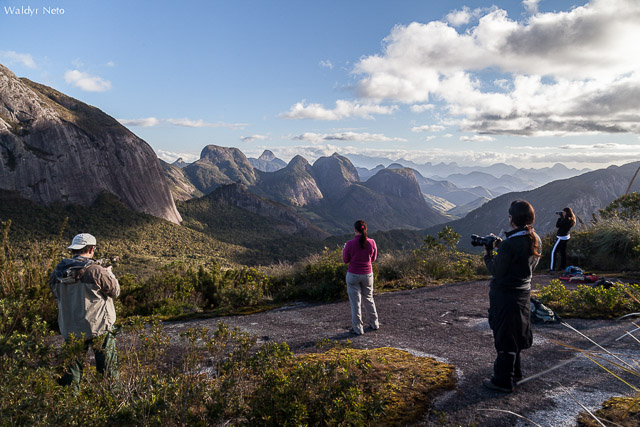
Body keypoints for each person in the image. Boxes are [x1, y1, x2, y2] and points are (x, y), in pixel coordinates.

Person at [483, 200, 542, 393]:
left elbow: (496, 271)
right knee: (515, 333)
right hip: (523, 294)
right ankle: (516, 373)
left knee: (504, 335)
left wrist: (488, 253)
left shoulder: (510, 244)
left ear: (511, 219)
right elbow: (528, 267)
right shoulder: (536, 239)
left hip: (505, 296)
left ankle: (502, 380)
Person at [49, 233, 120, 388]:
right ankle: (112, 404)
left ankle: (70, 405)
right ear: (92, 249)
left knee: (71, 373)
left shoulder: (56, 273)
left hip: (71, 329)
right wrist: (110, 274)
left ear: (73, 250)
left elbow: (56, 295)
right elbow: (115, 292)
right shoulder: (96, 271)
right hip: (98, 327)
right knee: (108, 371)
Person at [342, 220, 379, 335]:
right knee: (369, 299)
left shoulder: (349, 244)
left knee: (355, 302)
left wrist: (345, 249)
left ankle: (358, 328)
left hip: (353, 275)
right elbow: (373, 259)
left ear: (355, 230)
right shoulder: (372, 242)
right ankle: (374, 323)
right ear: (365, 229)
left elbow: (345, 260)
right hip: (367, 275)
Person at [550, 207, 576, 272]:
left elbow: (557, 225)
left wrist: (560, 218)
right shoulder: (571, 219)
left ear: (567, 213)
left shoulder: (566, 220)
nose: (563, 213)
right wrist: (562, 217)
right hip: (566, 237)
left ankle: (552, 268)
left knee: (553, 252)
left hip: (561, 237)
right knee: (562, 252)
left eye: (564, 212)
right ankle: (562, 267)